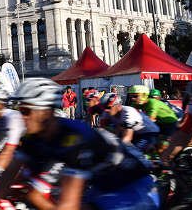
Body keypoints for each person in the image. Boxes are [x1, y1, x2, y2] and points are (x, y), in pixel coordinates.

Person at [8, 78, 159, 210]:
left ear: (47, 112)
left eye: (26, 111)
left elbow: (68, 206)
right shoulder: (32, 136)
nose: (21, 117)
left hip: (134, 184)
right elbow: (10, 176)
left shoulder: (75, 137)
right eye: (19, 111)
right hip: (103, 184)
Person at [161, 80, 192, 164]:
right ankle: (167, 160)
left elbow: (185, 100)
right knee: (184, 139)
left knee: (183, 138)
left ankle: (166, 161)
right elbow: (186, 100)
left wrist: (184, 114)